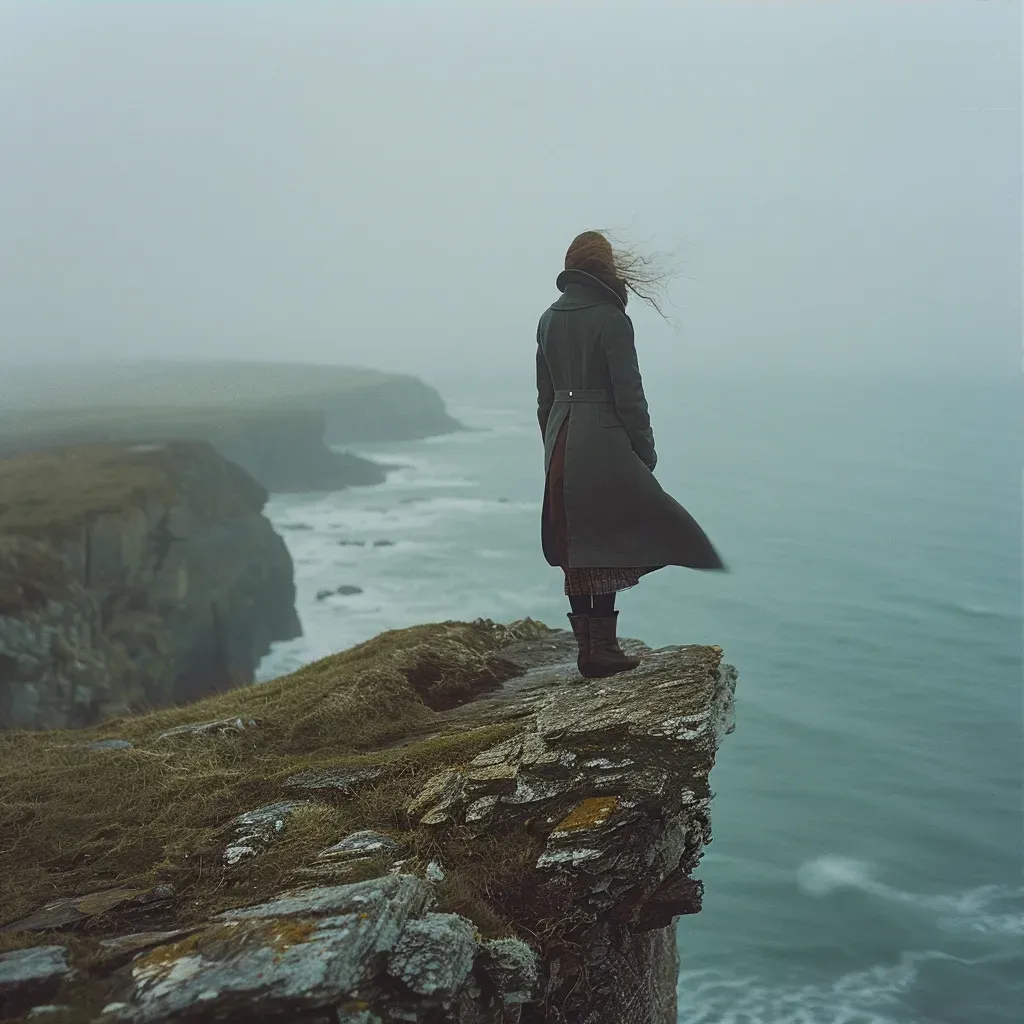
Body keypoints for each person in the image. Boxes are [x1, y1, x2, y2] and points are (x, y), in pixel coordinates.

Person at [537, 230, 726, 678]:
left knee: (576, 542)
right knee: (608, 537)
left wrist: (551, 443)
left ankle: (590, 649)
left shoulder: (547, 318)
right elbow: (630, 395)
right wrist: (645, 449)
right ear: (605, 269)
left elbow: (544, 397)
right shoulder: (611, 318)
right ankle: (599, 651)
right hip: (603, 439)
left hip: (560, 439)